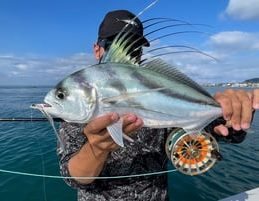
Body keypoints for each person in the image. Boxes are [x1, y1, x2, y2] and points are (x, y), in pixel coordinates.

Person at [58, 10, 259, 201]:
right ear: (97, 49)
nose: (126, 53)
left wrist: (236, 113)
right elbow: (73, 177)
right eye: (113, 45)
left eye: (134, 47)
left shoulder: (157, 88)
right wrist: (97, 148)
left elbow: (212, 131)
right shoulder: (80, 97)